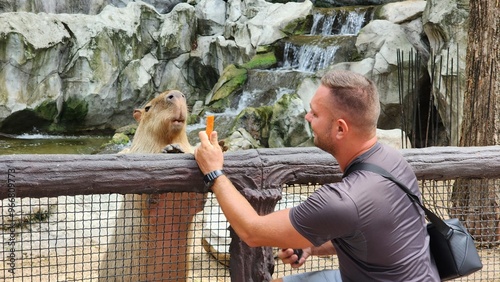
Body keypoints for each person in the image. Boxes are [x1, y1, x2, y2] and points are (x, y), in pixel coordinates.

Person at [194, 69, 440, 281]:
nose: (307, 117)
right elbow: (373, 238)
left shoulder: (342, 200)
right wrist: (310, 245)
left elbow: (253, 231)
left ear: (340, 128)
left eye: (315, 113)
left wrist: (214, 171)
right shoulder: (393, 160)